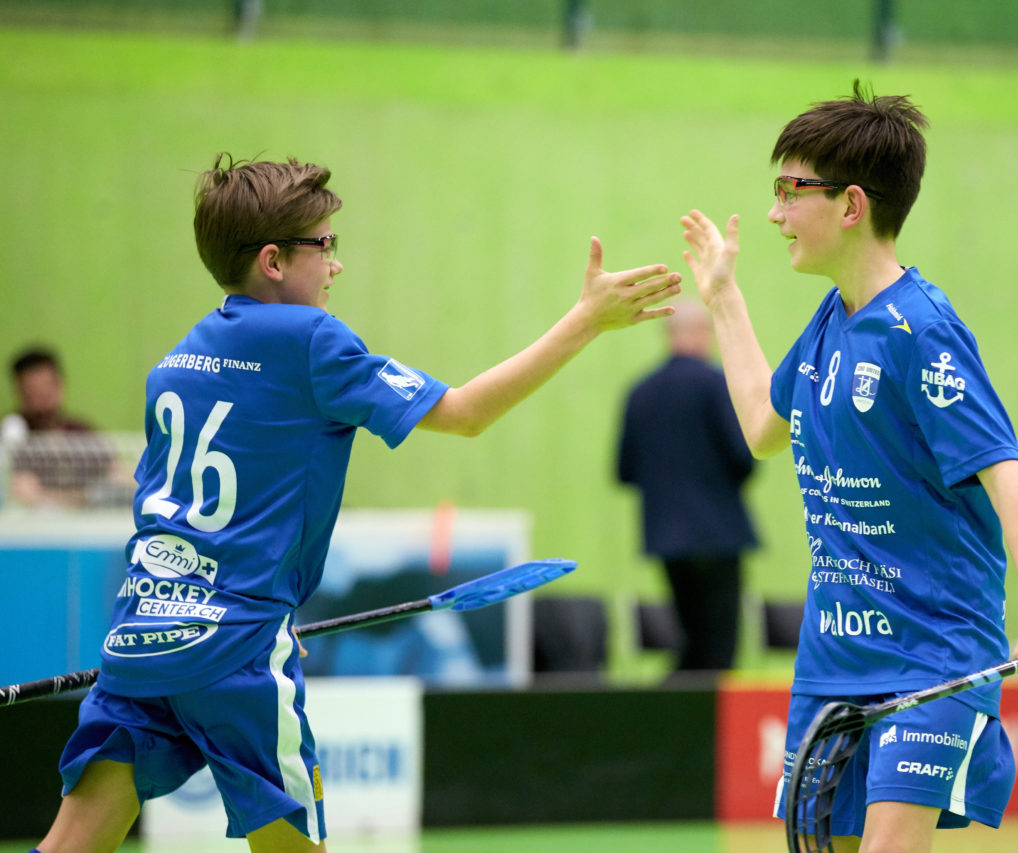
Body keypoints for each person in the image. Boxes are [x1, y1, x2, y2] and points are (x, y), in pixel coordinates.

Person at [34, 152, 681, 853]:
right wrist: (586, 320)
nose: (336, 264)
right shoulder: (312, 341)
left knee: (71, 842)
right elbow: (463, 413)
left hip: (139, 636)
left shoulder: (180, 356)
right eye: (325, 245)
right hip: (239, 650)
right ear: (275, 261)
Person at [679, 83, 1018, 851]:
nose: (774, 213)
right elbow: (765, 424)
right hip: (833, 658)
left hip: (931, 656)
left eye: (789, 191)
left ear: (852, 205)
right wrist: (723, 298)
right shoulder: (833, 318)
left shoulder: (922, 331)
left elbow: (1006, 473)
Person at [617, 301, 758, 673]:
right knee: (721, 644)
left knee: (689, 638)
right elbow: (744, 457)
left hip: (667, 536)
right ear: (699, 333)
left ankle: (687, 720)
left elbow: (624, 471)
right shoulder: (715, 384)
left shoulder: (639, 392)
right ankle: (716, 726)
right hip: (719, 534)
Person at [3, 346, 116, 508]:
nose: (42, 405)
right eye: (32, 395)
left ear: (60, 386)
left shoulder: (81, 433)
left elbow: (117, 473)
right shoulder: (9, 437)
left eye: (47, 393)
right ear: (19, 392)